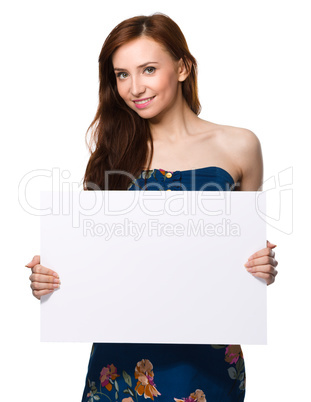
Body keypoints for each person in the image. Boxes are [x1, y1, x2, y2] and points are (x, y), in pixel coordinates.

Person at [25, 13, 278, 402]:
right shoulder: (112, 153)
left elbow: (243, 254)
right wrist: (54, 278)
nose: (134, 87)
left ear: (182, 67)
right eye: (121, 74)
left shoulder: (239, 146)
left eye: (148, 69)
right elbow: (98, 260)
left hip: (206, 359)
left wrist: (260, 269)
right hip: (121, 360)